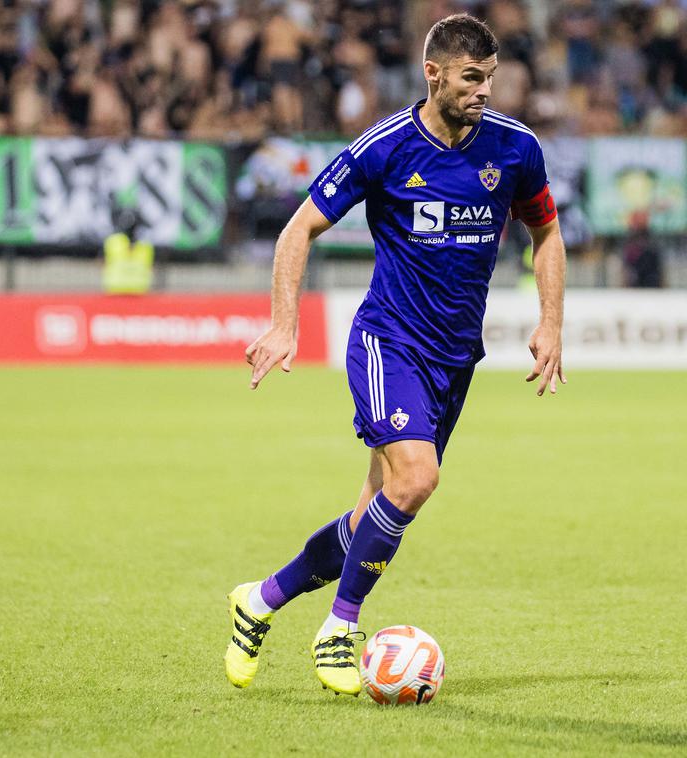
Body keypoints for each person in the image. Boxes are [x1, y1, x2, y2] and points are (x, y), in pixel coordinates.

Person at [228, 14, 566, 697]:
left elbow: (547, 233)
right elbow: (298, 231)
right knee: (417, 479)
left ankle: (258, 601)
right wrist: (284, 324)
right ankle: (340, 629)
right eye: (472, 78)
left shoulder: (516, 148)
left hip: (454, 360)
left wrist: (551, 322)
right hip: (389, 343)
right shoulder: (384, 148)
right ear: (433, 73)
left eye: (491, 78)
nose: (484, 91)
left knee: (372, 514)